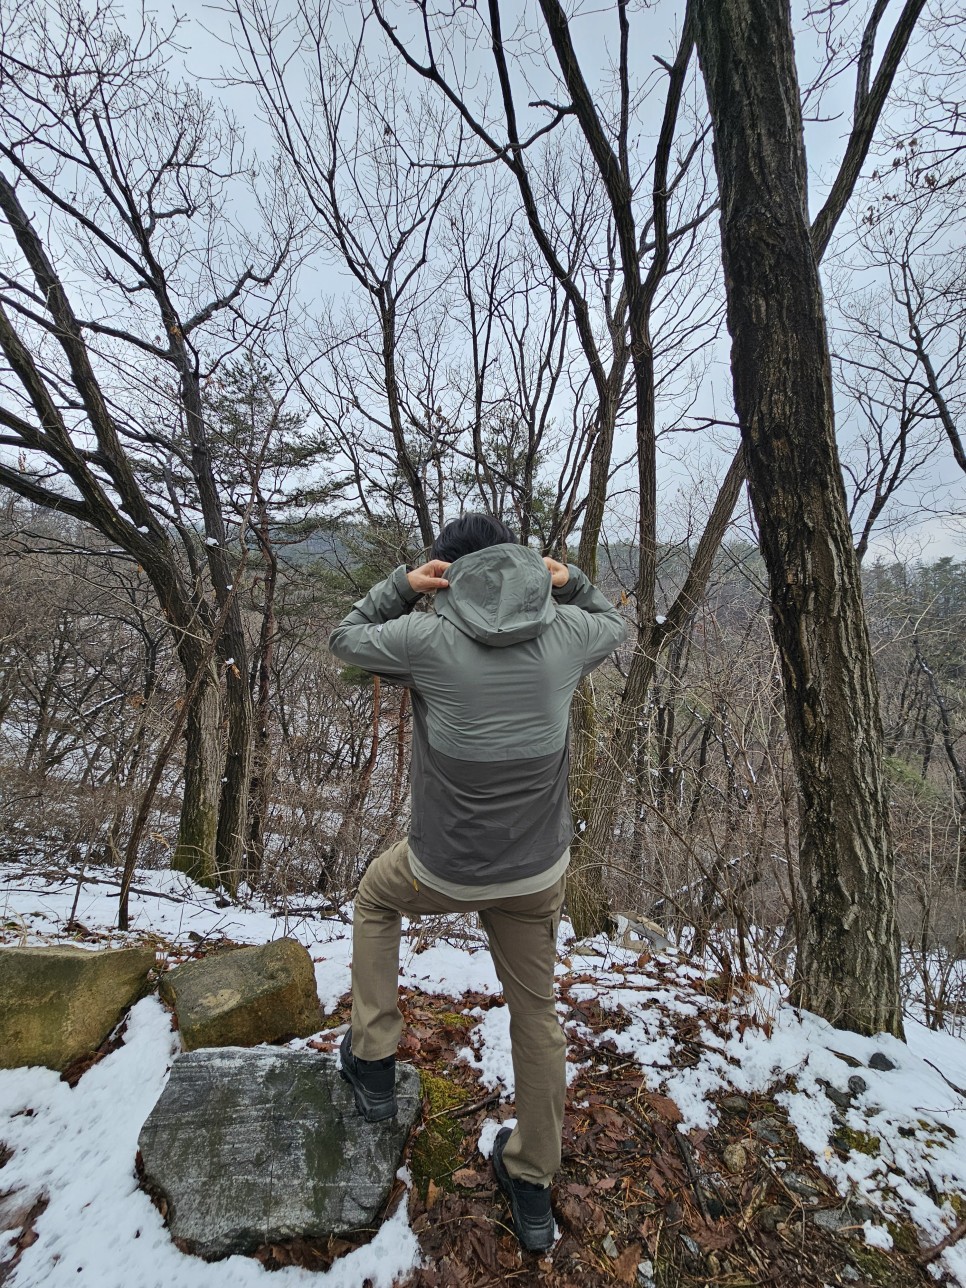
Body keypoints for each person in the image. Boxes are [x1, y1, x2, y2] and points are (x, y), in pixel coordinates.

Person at [327, 514, 626, 1252]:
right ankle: (531, 1180)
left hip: (441, 867)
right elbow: (612, 620)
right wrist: (571, 581)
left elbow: (344, 639)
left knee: (375, 895)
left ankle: (371, 1058)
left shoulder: (426, 640)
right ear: (523, 566)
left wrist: (402, 585)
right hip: (534, 873)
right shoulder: (565, 639)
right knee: (538, 1013)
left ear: (448, 573)